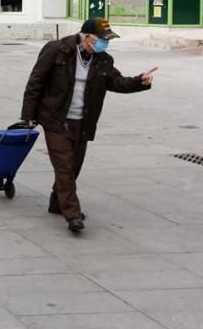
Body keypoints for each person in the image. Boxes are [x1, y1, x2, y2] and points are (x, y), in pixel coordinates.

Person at [21, 17, 157, 234]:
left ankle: (57, 202)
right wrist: (28, 116)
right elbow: (36, 82)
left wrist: (139, 81)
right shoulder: (58, 50)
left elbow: (116, 82)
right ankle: (73, 215)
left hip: (83, 121)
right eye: (101, 39)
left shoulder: (103, 60)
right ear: (86, 37)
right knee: (64, 167)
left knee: (74, 166)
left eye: (107, 40)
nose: (105, 44)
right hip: (56, 119)